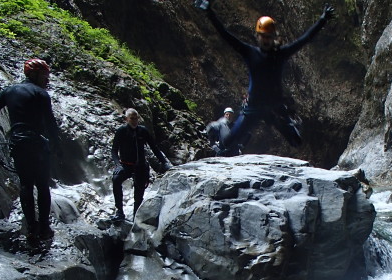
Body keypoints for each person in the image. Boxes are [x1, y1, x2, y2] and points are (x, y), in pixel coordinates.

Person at [197, 1, 335, 151]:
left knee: (296, 141)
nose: (266, 39)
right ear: (257, 36)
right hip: (253, 108)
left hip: (275, 107)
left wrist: (323, 19)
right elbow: (226, 35)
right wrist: (209, 13)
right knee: (227, 143)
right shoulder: (250, 53)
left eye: (268, 36)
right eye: (263, 36)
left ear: (273, 37)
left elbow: (304, 39)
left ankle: (292, 124)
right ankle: (223, 123)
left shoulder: (281, 54)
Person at [0, 58, 61, 241]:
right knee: (42, 185)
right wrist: (57, 147)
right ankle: (44, 227)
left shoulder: (9, 91)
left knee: (26, 184)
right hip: (38, 144)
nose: (47, 80)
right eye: (44, 75)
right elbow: (50, 124)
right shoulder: (41, 94)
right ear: (33, 74)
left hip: (18, 143)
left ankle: (31, 229)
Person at [111, 108, 170, 221]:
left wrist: (164, 162)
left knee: (139, 194)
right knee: (116, 179)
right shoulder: (121, 131)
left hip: (140, 166)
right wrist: (117, 165)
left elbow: (154, 147)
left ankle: (136, 218)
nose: (134, 121)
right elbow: (114, 150)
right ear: (126, 119)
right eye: (132, 119)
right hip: (125, 165)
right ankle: (119, 212)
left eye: (136, 118)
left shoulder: (143, 131)